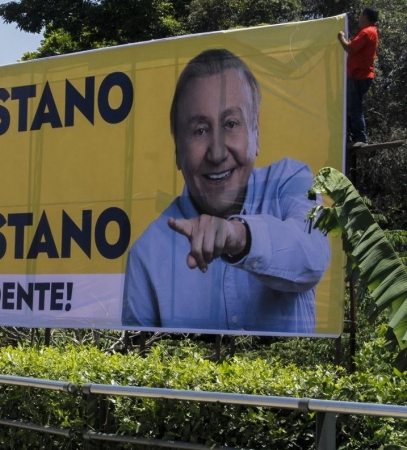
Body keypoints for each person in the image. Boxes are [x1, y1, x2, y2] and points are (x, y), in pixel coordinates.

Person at [122, 48, 330, 333]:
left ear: (256, 134)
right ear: (177, 151)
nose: (217, 153)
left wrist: (238, 237)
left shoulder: (291, 181)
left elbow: (313, 256)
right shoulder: (146, 256)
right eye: (199, 130)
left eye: (231, 124)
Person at [337, 7, 379, 146]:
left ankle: (360, 139)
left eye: (361, 15)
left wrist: (341, 38)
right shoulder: (371, 32)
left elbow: (350, 48)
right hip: (360, 75)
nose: (359, 18)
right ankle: (351, 137)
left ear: (366, 17)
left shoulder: (367, 32)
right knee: (351, 106)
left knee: (355, 108)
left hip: (359, 76)